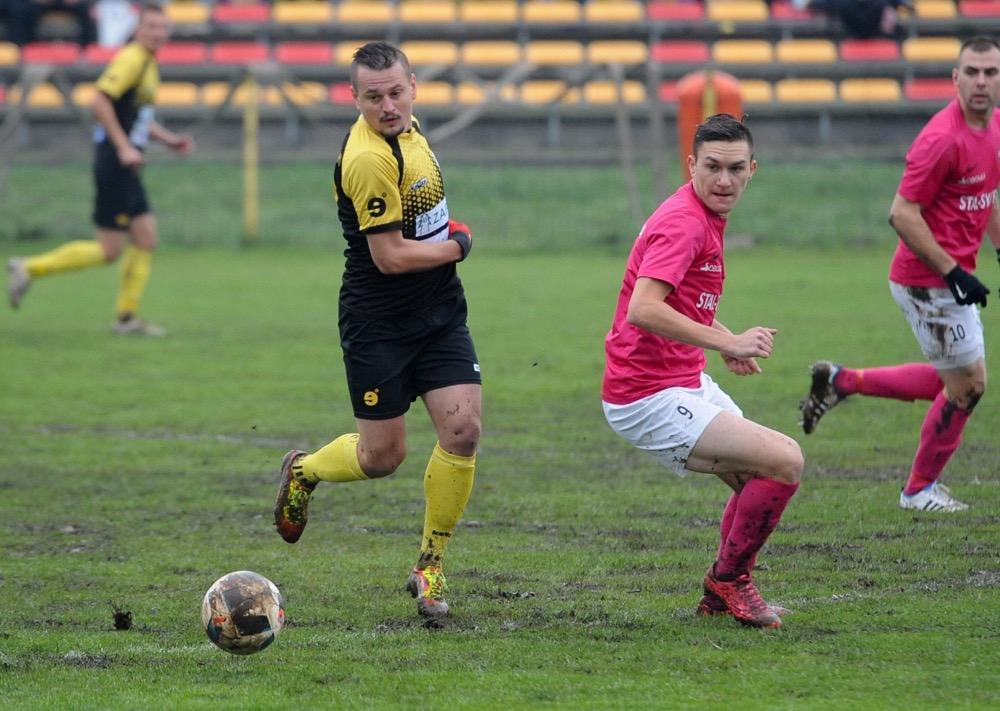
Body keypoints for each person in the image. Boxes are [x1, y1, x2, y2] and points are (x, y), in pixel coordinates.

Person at [272, 42, 481, 620]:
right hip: (379, 323)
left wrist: (444, 237)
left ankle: (430, 567)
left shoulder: (412, 130)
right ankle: (305, 470)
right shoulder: (366, 157)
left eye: (395, 92)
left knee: (463, 431)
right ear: (354, 96)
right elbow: (389, 258)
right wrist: (457, 246)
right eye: (373, 96)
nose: (387, 105)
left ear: (413, 85)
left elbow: (424, 208)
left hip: (439, 312)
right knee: (382, 456)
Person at [602, 114, 803, 629]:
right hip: (646, 394)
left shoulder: (700, 213)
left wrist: (721, 341)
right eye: (712, 167)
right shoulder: (685, 222)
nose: (724, 180)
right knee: (784, 460)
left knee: (758, 477)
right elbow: (643, 308)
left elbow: (682, 300)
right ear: (691, 164)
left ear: (752, 169)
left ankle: (723, 590)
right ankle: (730, 581)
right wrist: (727, 341)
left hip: (679, 378)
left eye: (736, 168)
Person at [801, 36, 1000, 513]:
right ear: (954, 79)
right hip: (927, 281)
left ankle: (843, 382)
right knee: (968, 386)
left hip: (950, 278)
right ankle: (918, 490)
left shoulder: (993, 129)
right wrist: (954, 272)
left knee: (951, 379)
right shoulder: (941, 139)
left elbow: (987, 192)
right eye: (971, 72)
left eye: (990, 72)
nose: (980, 81)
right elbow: (902, 213)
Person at [6, 2, 194, 336]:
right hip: (115, 161)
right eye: (151, 26)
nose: (158, 33)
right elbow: (99, 101)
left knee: (146, 237)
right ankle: (28, 268)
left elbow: (136, 117)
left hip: (127, 161)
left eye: (163, 27)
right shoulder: (132, 58)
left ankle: (126, 318)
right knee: (110, 250)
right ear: (137, 29)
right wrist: (123, 147)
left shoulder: (148, 63)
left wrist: (168, 140)